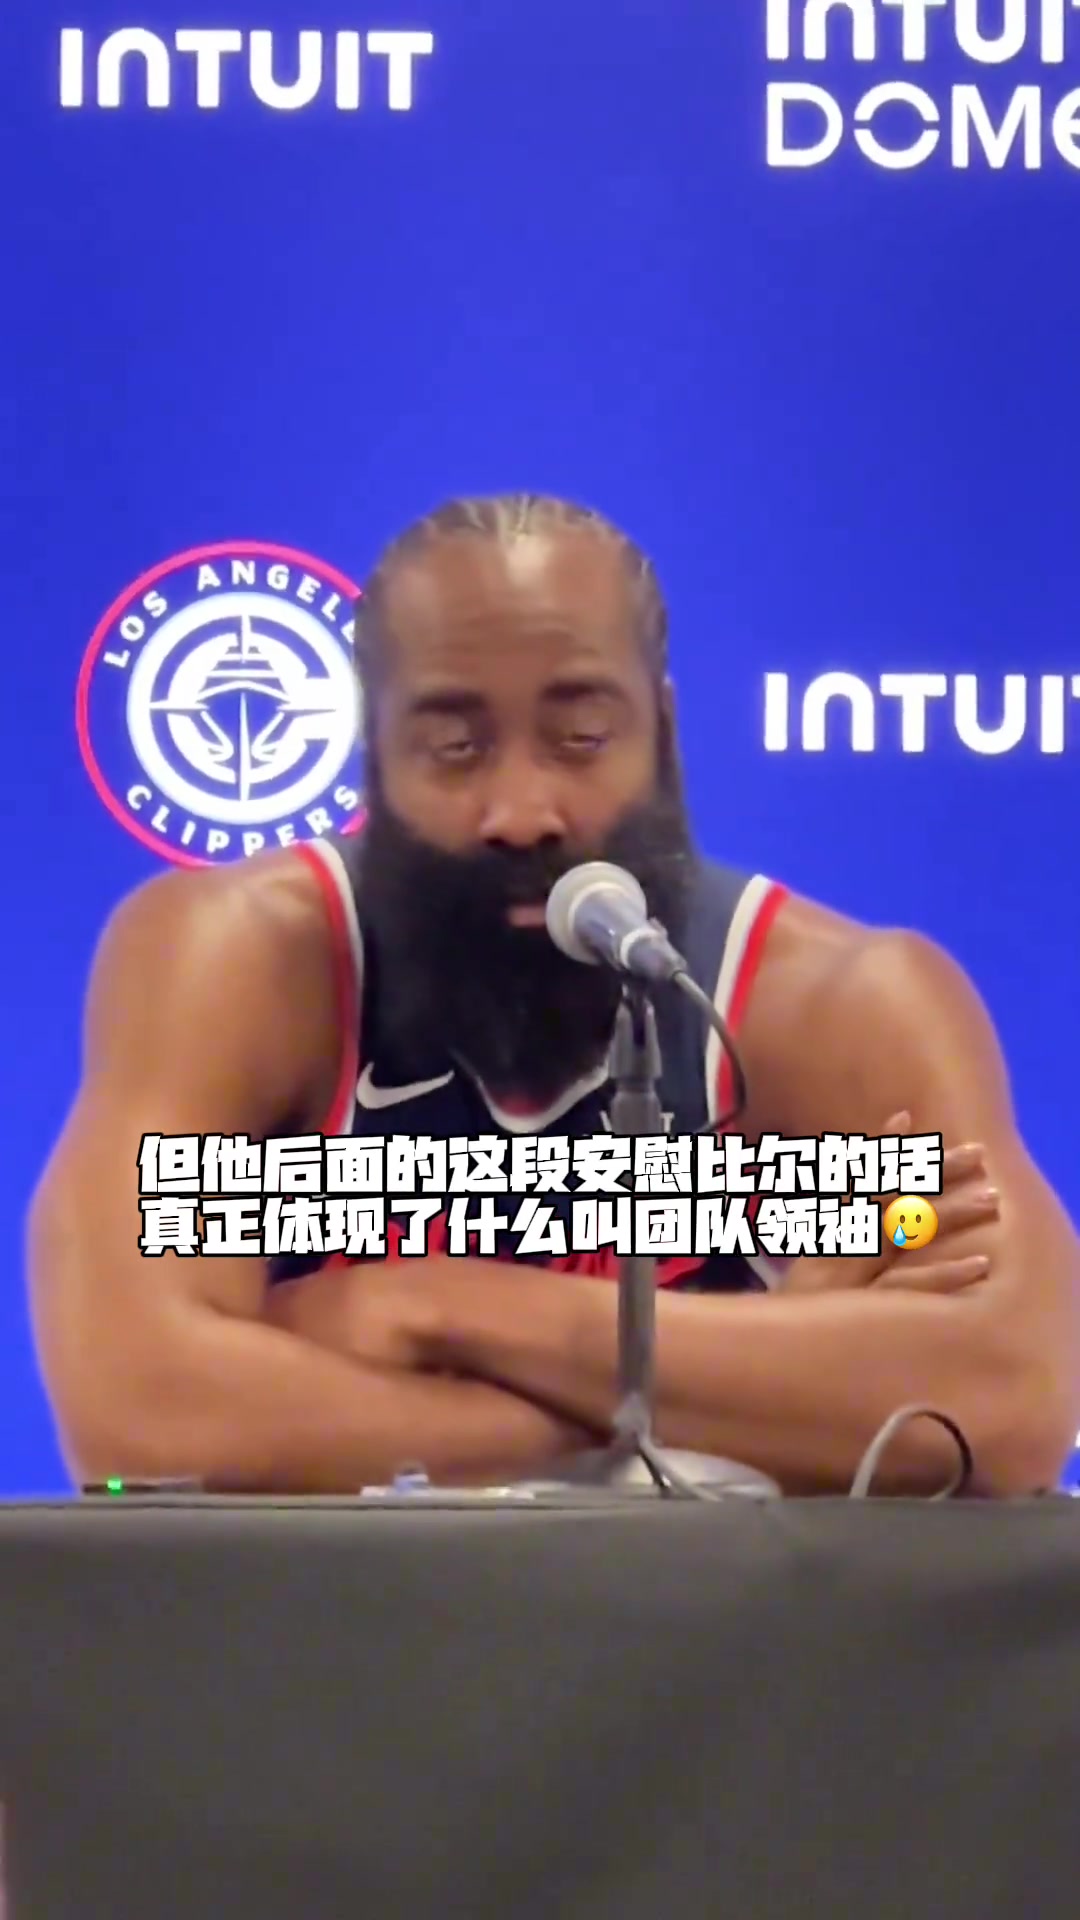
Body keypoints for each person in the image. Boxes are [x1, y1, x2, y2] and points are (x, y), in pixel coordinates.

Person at [28, 495, 1080, 1497]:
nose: (523, 811)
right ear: (374, 758)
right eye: (455, 747)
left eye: (580, 737)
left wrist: (437, 1306)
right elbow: (144, 1415)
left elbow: (1011, 1402)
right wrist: (762, 1394)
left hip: (714, 1629)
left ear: (662, 735)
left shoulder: (832, 1005)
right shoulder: (240, 963)